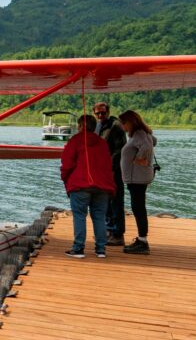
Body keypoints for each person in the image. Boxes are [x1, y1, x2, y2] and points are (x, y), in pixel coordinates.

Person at [60, 113, 116, 259]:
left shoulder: (75, 141)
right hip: (102, 186)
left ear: (80, 126)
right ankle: (101, 250)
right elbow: (108, 165)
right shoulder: (102, 143)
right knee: (99, 217)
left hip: (80, 184)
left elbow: (67, 164)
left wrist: (65, 178)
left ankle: (78, 248)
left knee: (79, 216)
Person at [118, 110, 157, 255]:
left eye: (124, 123)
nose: (123, 126)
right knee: (138, 207)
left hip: (137, 179)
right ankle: (142, 239)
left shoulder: (139, 133)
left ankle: (143, 242)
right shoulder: (140, 134)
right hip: (137, 178)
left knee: (138, 208)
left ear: (131, 122)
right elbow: (153, 141)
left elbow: (147, 146)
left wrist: (138, 159)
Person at [92, 102, 128, 246]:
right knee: (105, 201)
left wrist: (110, 167)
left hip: (113, 171)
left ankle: (118, 234)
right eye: (98, 113)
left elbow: (120, 150)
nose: (100, 116)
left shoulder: (116, 126)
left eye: (103, 113)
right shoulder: (98, 126)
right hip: (101, 171)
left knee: (116, 201)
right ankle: (108, 230)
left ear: (108, 112)